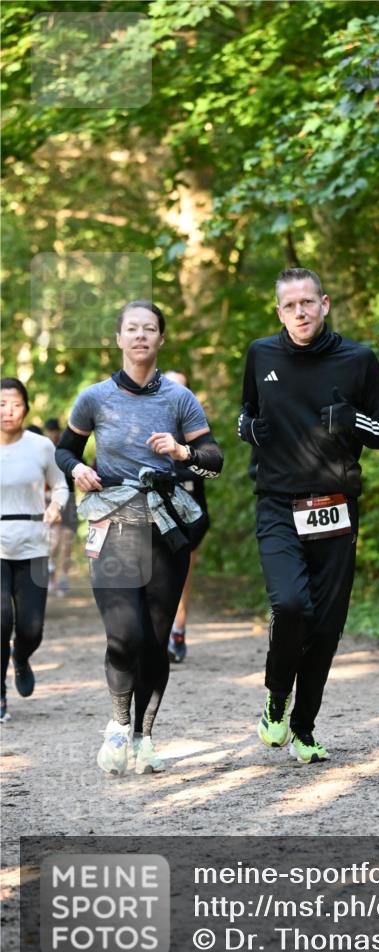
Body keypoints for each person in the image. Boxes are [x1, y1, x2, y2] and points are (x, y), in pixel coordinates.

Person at [56, 301, 223, 776]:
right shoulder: (94, 398)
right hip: (113, 527)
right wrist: (79, 469)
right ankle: (117, 725)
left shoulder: (179, 399)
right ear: (119, 338)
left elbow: (214, 461)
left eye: (150, 328)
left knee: (153, 640)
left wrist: (183, 451)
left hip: (164, 532)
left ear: (161, 339)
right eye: (132, 328)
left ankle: (144, 738)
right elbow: (65, 451)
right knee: (124, 634)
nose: (141, 336)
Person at [238, 267, 379, 763]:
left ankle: (303, 730)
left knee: (325, 626)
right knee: (290, 605)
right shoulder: (261, 354)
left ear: (324, 304)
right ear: (279, 311)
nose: (300, 312)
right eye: (290, 305)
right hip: (277, 502)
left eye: (308, 302)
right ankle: (276, 697)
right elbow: (246, 415)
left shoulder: (358, 359)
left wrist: (353, 420)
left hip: (335, 506)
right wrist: (250, 430)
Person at [1, 377, 68, 723]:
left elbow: (61, 486)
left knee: (31, 628)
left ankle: (22, 657)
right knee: (1, 620)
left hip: (34, 545)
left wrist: (56, 505)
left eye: (15, 404)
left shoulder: (41, 446)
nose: (8, 411)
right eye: (1, 404)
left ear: (26, 408)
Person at [163, 370, 211, 664]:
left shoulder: (197, 430)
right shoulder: (144, 423)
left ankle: (177, 632)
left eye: (180, 389)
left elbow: (210, 466)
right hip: (152, 515)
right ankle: (156, 634)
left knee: (182, 578)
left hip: (190, 517)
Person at [44, 417, 78, 596]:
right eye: (50, 431)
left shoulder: (68, 449)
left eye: (55, 431)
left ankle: (63, 578)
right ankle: (50, 569)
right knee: (55, 542)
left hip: (70, 501)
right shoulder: (43, 451)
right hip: (52, 500)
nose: (53, 434)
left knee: (67, 542)